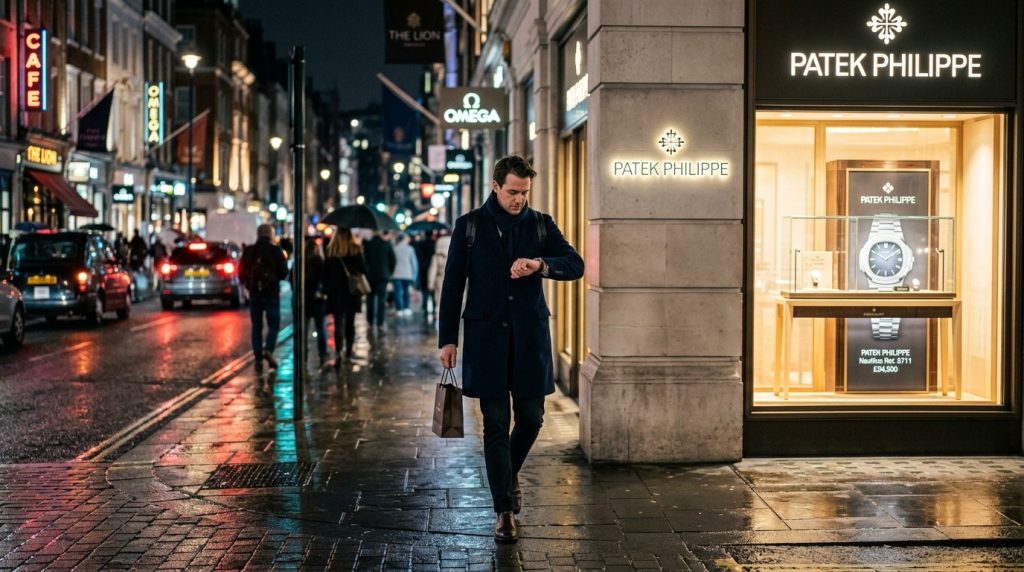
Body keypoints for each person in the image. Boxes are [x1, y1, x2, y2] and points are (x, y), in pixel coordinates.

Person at [437, 155, 584, 542]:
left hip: (530, 339)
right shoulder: (469, 227)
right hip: (486, 339)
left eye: (524, 193)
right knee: (496, 426)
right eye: (513, 192)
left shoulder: (540, 224)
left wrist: (539, 264)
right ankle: (504, 510)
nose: (519, 199)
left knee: (533, 418)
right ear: (496, 187)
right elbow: (452, 285)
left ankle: (507, 474)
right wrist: (447, 339)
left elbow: (575, 263)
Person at [240, 224, 289, 374]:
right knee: (273, 324)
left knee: (256, 327)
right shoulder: (276, 250)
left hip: (255, 293)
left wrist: (248, 284)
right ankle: (268, 349)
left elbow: (240, 273)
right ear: (270, 235)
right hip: (271, 293)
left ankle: (258, 360)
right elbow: (284, 272)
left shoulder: (249, 251)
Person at [323, 229, 367, 364]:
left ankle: (338, 353)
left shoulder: (331, 250)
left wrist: (326, 289)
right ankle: (348, 354)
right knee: (350, 323)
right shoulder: (355, 249)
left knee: (338, 323)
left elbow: (325, 273)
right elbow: (364, 269)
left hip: (336, 292)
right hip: (351, 292)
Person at [298, 237, 327, 367]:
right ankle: (322, 355)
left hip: (304, 300)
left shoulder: (300, 261)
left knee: (304, 331)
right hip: (318, 301)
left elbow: (293, 279)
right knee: (320, 328)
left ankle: (303, 356)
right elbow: (325, 281)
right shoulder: (320, 262)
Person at [362, 230, 396, 329]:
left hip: (370, 276)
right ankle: (380, 322)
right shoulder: (386, 244)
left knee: (370, 299)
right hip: (383, 276)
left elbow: (364, 260)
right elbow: (393, 260)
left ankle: (370, 321)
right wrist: (389, 272)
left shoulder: (367, 244)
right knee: (381, 300)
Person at [426, 232, 451, 327]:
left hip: (440, 280)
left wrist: (430, 283)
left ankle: (439, 315)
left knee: (439, 300)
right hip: (452, 281)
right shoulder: (455, 255)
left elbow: (433, 270)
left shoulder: (436, 257)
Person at [390, 234, 418, 317]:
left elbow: (391, 262)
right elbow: (414, 264)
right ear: (404, 239)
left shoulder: (394, 249)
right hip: (408, 274)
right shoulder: (410, 249)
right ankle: (406, 308)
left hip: (396, 274)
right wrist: (414, 276)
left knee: (397, 292)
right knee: (406, 292)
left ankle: (399, 309)